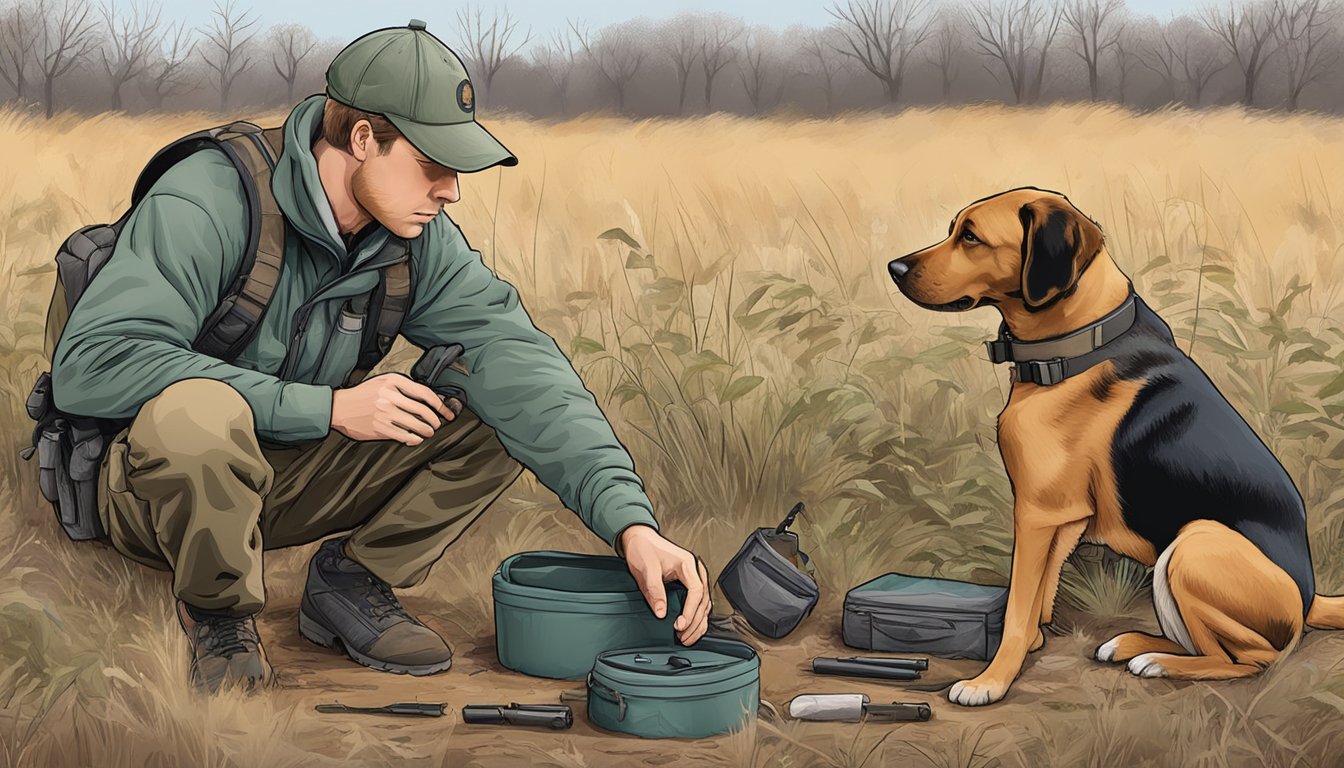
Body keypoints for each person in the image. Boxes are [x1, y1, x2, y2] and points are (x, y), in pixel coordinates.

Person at [50, 19, 711, 693]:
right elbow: (94, 363)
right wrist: (328, 407)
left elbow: (521, 364)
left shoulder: (415, 240)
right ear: (363, 138)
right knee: (199, 414)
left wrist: (632, 526)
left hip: (286, 475)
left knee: (492, 395)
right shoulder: (210, 197)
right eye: (433, 166)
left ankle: (352, 581)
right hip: (155, 494)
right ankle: (218, 617)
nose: (450, 191)